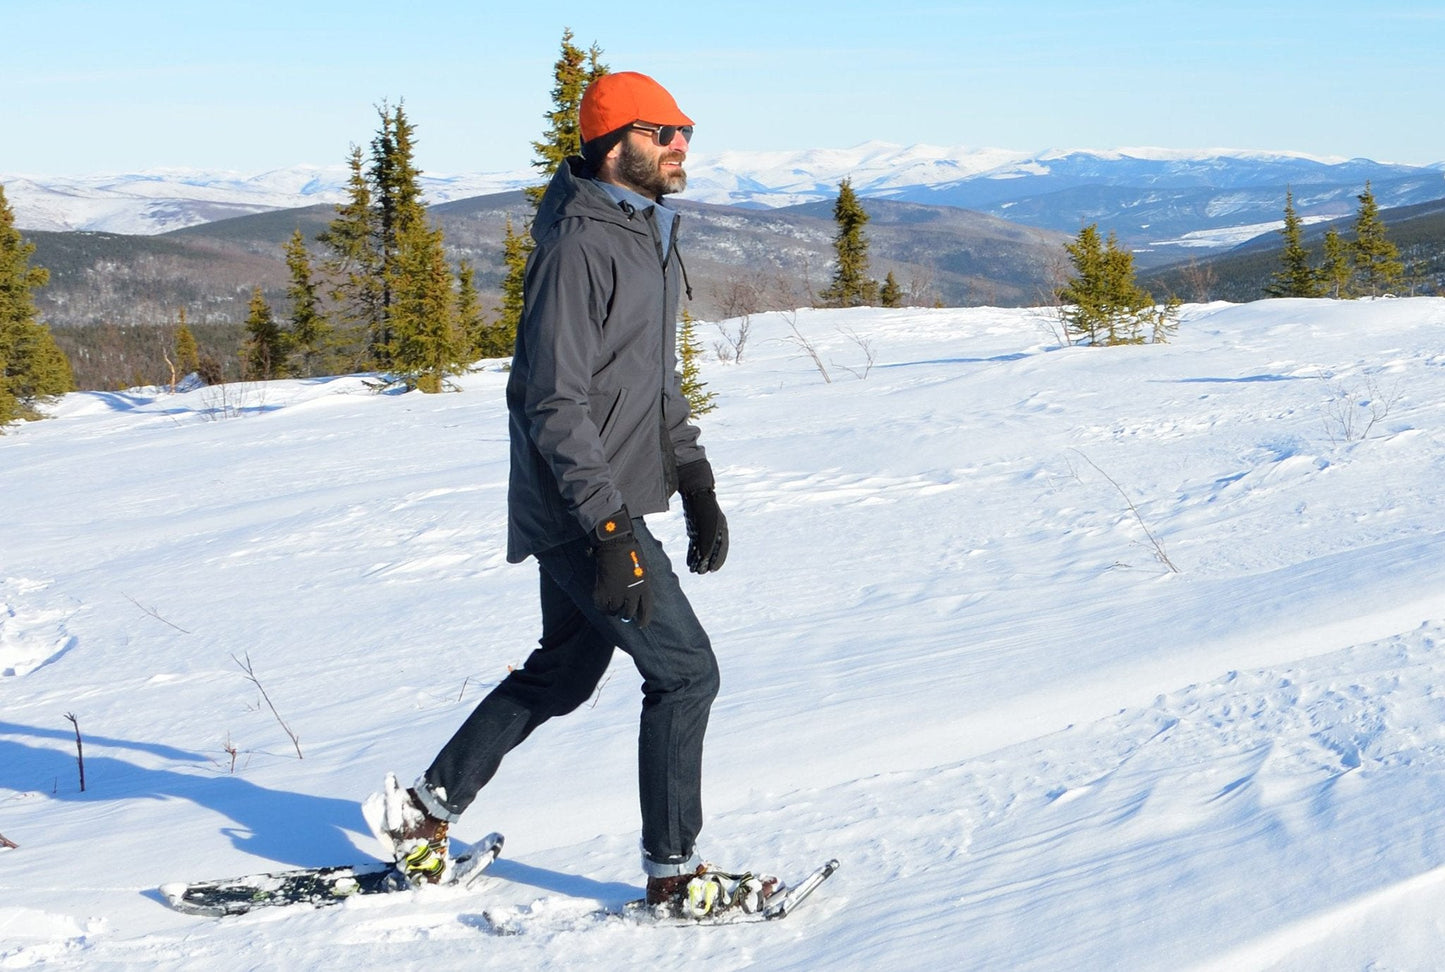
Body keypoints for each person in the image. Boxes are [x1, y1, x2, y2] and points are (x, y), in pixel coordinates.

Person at [367, 71, 738, 913]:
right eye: (661, 132)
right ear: (613, 145)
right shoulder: (579, 244)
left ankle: (425, 809)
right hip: (579, 504)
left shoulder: (645, 232)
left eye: (685, 131)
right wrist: (608, 532)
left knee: (566, 672)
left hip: (603, 498)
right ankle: (673, 873)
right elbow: (554, 402)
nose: (680, 144)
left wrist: (694, 477)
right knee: (685, 673)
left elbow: (650, 380)